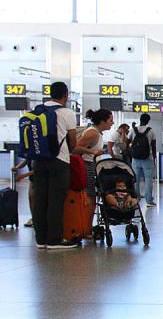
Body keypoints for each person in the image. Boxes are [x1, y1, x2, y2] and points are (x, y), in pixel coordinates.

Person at [28, 81, 79, 250]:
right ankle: (54, 239)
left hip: (38, 160)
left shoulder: (37, 111)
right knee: (56, 200)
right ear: (66, 95)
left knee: (40, 199)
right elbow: (72, 141)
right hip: (59, 161)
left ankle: (40, 239)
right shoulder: (67, 113)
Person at [74, 108, 114, 227]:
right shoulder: (92, 133)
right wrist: (93, 151)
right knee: (90, 197)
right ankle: (86, 227)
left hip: (92, 165)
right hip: (87, 166)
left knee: (92, 197)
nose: (112, 123)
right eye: (110, 120)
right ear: (103, 121)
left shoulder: (97, 133)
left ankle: (87, 225)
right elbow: (75, 148)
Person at [131, 113, 157, 206]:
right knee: (148, 180)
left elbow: (128, 141)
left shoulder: (133, 130)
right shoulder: (151, 131)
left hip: (135, 159)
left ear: (140, 119)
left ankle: (136, 198)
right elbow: (153, 145)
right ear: (148, 121)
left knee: (135, 180)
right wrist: (154, 157)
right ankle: (149, 201)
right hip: (148, 158)